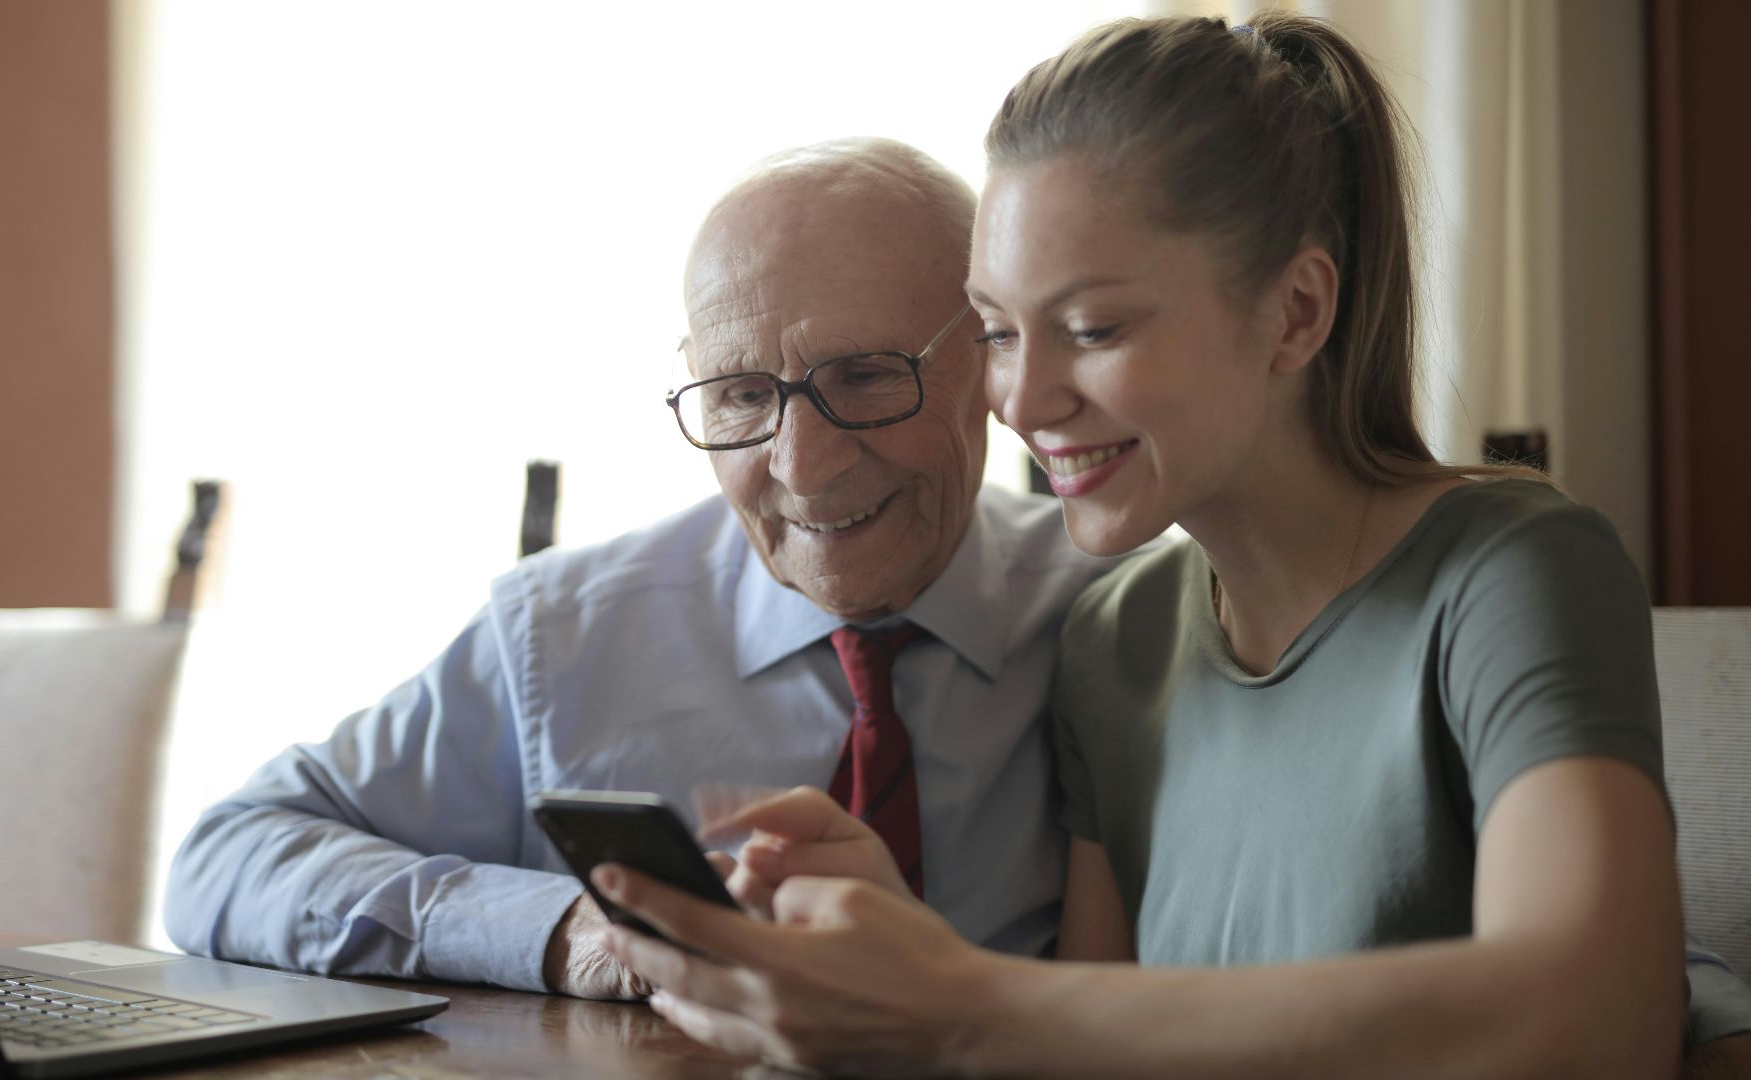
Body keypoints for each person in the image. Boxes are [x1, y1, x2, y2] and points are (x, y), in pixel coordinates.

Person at [596, 12, 1750, 1077]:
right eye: (998, 333)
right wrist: (898, 943)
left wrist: (957, 997)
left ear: (1296, 312)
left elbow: (1600, 1018)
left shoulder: (1511, 570)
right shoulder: (1116, 634)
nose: (1023, 399)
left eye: (1092, 329)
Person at [161, 137, 1117, 999]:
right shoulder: (565, 637)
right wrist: (561, 930)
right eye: (742, 395)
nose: (801, 464)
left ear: (992, 358)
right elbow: (226, 858)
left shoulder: (1126, 622)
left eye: (865, 377)